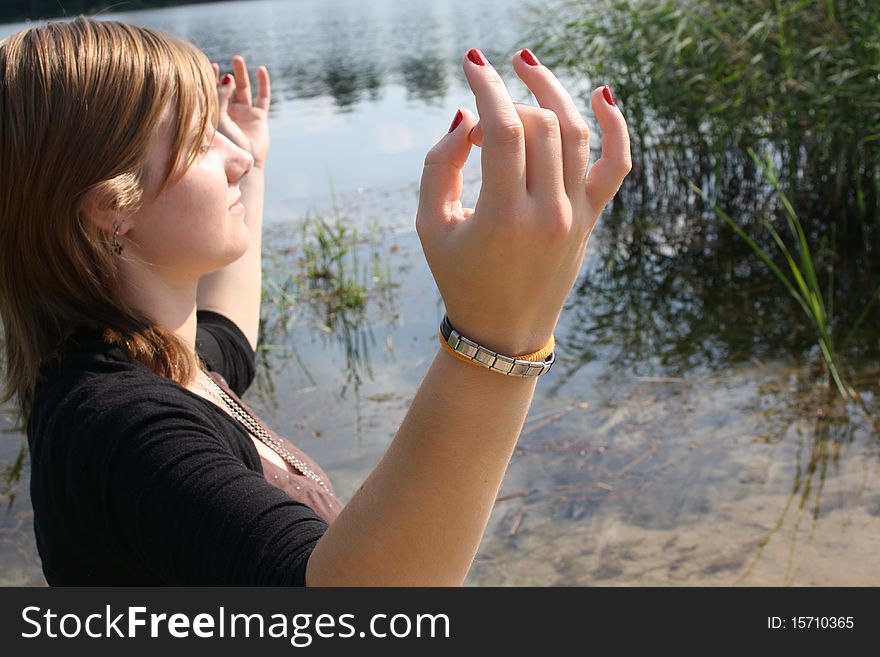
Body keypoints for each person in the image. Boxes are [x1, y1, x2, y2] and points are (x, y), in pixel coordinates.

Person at [0, 17, 631, 585]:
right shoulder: (118, 426)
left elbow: (231, 335)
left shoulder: (149, 358)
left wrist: (259, 162)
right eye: (200, 139)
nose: (237, 157)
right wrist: (498, 334)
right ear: (113, 203)